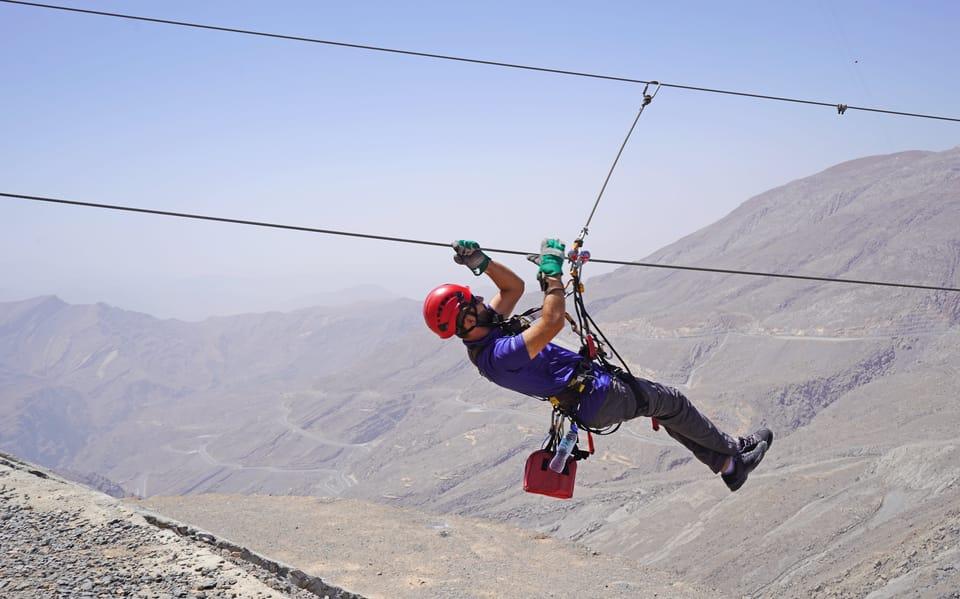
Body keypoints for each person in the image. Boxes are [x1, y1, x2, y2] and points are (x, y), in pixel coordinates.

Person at [423, 239, 773, 492]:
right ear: (467, 319)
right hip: (598, 396)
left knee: (666, 410)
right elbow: (551, 323)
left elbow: (511, 287)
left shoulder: (484, 334)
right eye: (475, 301)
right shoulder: (498, 354)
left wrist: (481, 263)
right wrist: (553, 279)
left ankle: (728, 465)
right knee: (672, 402)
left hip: (592, 394)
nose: (484, 299)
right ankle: (734, 455)